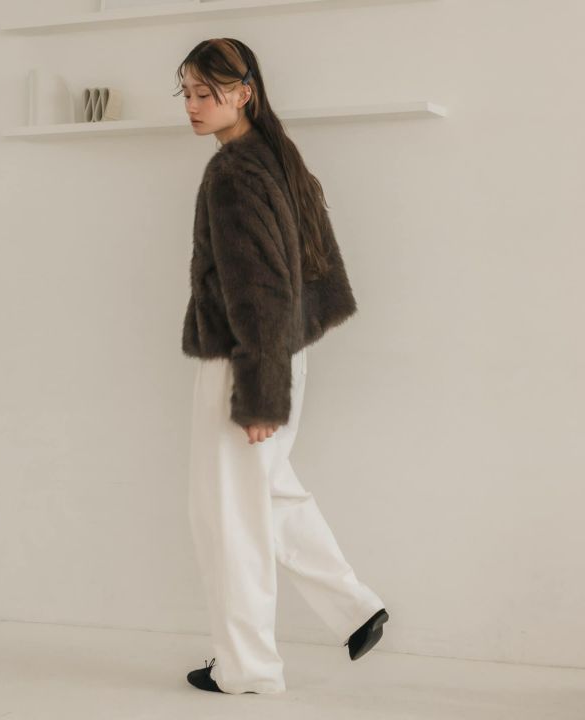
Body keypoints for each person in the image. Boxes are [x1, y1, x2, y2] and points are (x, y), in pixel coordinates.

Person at [175, 38, 389, 695]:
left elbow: (261, 288)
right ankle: (354, 608)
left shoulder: (234, 173)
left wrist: (260, 394)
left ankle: (248, 668)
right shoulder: (276, 157)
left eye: (206, 93)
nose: (192, 105)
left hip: (248, 362)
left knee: (227, 516)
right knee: (266, 492)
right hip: (281, 354)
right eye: (186, 92)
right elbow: (307, 274)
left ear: (244, 93)